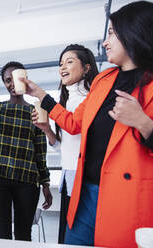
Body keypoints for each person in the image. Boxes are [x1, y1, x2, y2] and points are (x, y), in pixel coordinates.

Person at [21, 1, 153, 247]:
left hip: (131, 202)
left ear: (135, 31)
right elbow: (74, 123)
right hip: (85, 195)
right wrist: (41, 96)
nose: (106, 42)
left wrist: (144, 124)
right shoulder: (103, 80)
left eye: (111, 33)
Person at [0, 52, 53, 241]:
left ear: (25, 80)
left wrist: (45, 183)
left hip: (27, 182)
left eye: (16, 79)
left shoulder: (36, 111)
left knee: (23, 235)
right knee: (1, 235)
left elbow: (40, 151)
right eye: (7, 80)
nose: (12, 84)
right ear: (4, 83)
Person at [31, 44, 98, 243]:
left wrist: (41, 95)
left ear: (86, 68)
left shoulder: (90, 98)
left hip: (84, 177)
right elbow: (64, 147)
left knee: (78, 236)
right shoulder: (67, 101)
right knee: (67, 236)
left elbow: (73, 126)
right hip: (69, 177)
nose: (62, 68)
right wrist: (46, 129)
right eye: (61, 64)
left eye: (69, 62)